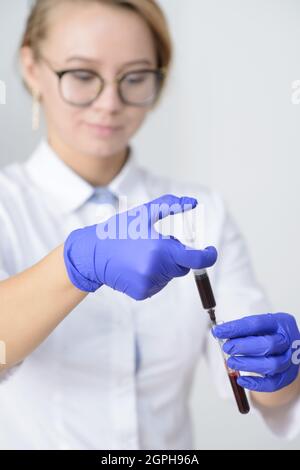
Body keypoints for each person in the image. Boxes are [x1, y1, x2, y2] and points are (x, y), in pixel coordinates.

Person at [0, 0, 299, 450]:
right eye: (82, 75)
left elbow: (263, 393)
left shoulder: (202, 211)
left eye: (134, 77)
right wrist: (75, 265)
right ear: (31, 67)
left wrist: (282, 369)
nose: (110, 103)